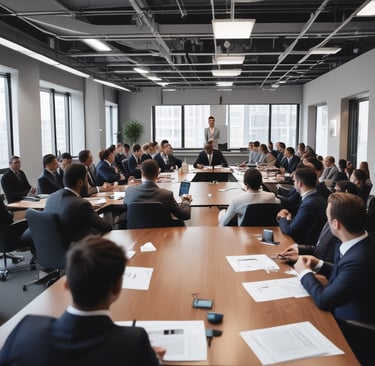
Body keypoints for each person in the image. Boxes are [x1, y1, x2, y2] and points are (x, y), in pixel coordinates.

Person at [0, 235, 165, 365]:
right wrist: (153, 358)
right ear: (118, 287)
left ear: (66, 284)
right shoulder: (134, 342)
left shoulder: (26, 329)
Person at [294, 193, 375, 323]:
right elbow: (346, 275)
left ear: (336, 224)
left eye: (328, 218)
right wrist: (319, 264)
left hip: (351, 325)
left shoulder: (358, 259)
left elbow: (323, 301)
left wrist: (303, 272)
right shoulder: (359, 242)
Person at [43, 163, 112, 247]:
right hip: (78, 252)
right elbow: (106, 227)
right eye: (86, 179)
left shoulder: (51, 197)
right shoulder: (81, 205)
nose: (87, 182)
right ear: (80, 182)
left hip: (53, 249)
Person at [124, 160, 191, 225]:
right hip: (162, 234)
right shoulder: (167, 195)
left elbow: (124, 209)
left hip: (134, 234)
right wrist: (186, 201)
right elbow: (184, 215)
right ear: (157, 174)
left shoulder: (129, 191)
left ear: (142, 173)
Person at [277, 167, 327, 245]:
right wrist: (289, 218)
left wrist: (282, 217)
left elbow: (289, 231)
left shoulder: (309, 203)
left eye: (294, 181)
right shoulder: (317, 197)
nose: (294, 184)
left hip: (304, 244)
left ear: (300, 183)